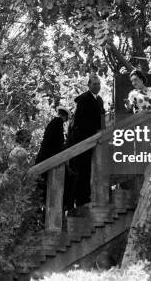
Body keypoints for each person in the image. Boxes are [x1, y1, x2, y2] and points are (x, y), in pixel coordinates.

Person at [68, 74, 105, 209]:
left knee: (89, 171)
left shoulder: (99, 100)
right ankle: (80, 201)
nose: (97, 86)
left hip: (96, 140)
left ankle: (87, 197)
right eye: (94, 84)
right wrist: (91, 132)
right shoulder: (83, 99)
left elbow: (101, 117)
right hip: (83, 141)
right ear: (89, 85)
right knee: (82, 172)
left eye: (99, 84)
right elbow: (78, 123)